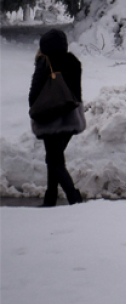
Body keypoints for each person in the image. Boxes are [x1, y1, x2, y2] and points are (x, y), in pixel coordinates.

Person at [28, 29, 86, 206]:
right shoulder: (73, 61)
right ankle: (50, 197)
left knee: (55, 161)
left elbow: (34, 92)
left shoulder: (45, 62)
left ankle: (74, 198)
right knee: (54, 159)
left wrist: (34, 106)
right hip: (70, 117)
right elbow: (77, 91)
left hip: (50, 117)